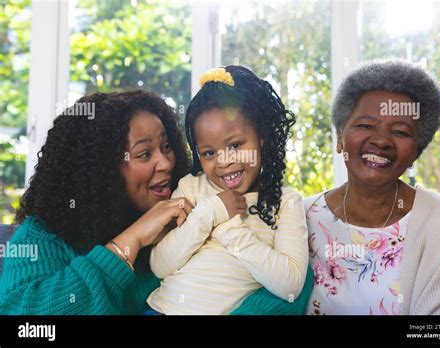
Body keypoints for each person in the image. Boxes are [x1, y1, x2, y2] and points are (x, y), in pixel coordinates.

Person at [0, 89, 311, 315]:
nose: (165, 163)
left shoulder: (189, 210)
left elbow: (287, 285)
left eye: (166, 146)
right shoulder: (44, 236)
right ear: (101, 170)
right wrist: (131, 240)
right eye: (145, 154)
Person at [304, 60, 440, 315]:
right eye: (366, 126)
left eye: (401, 132)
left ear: (416, 151)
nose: (381, 140)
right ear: (340, 138)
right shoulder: (299, 218)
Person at [146, 66, 311, 314]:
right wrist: (209, 212)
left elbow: (291, 284)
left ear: (262, 137)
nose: (223, 162)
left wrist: (228, 229)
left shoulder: (285, 202)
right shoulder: (191, 188)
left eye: (235, 145)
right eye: (209, 153)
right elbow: (160, 265)